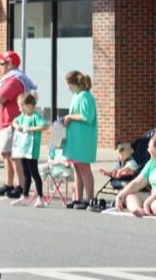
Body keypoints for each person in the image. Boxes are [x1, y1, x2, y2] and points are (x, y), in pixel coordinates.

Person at [0, 51, 34, 197]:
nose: (0, 66)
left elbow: (0, 98)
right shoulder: (7, 79)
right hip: (3, 123)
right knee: (5, 155)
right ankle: (8, 184)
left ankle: (22, 187)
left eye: (2, 63)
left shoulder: (14, 80)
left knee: (14, 156)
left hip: (11, 123)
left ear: (10, 64)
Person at [115, 133, 156, 217]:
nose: (148, 150)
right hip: (155, 198)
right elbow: (138, 182)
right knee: (128, 196)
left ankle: (149, 208)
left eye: (150, 147)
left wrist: (147, 202)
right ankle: (138, 210)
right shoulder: (153, 161)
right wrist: (120, 196)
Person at [62, 70, 97, 209]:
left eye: (67, 84)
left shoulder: (85, 96)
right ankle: (78, 198)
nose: (67, 87)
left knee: (84, 166)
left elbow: (88, 117)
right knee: (76, 166)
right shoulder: (77, 96)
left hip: (84, 138)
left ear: (73, 83)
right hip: (76, 137)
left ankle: (90, 199)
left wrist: (70, 117)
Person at [10, 93, 48, 207]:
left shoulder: (35, 116)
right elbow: (14, 121)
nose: (19, 109)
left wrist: (31, 128)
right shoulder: (22, 116)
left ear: (29, 105)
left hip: (32, 151)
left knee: (34, 174)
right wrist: (17, 126)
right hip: (23, 149)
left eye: (21, 106)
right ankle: (25, 196)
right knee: (26, 173)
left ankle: (40, 198)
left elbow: (45, 126)